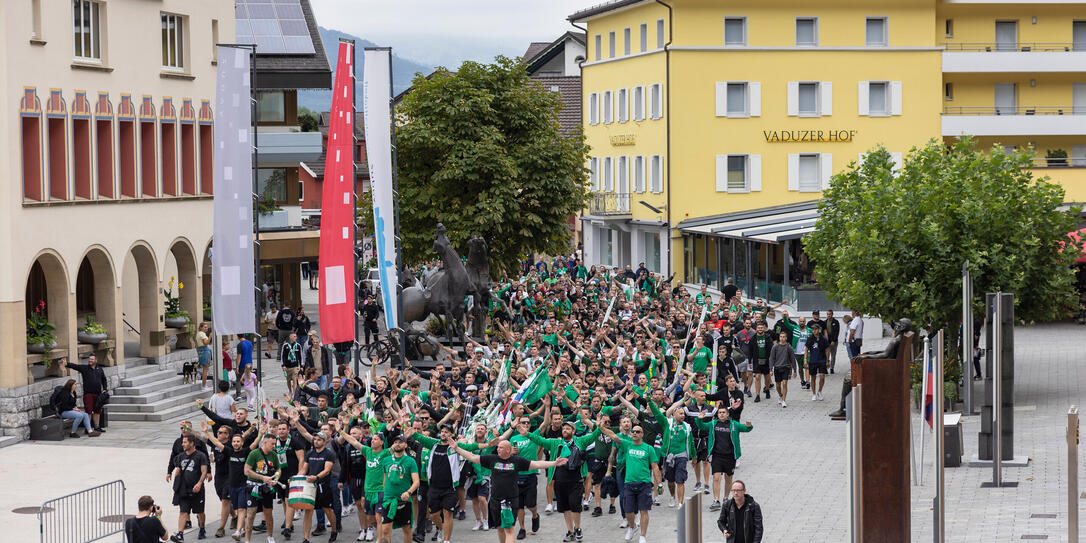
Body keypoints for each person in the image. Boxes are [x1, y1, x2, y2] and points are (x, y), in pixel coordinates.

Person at [451, 439, 568, 543]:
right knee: (500, 528)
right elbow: (472, 457)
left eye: (501, 447)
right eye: (498, 447)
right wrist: (457, 448)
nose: (497, 449)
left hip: (510, 501)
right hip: (495, 500)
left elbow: (536, 464)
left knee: (509, 529)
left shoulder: (517, 461)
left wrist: (554, 463)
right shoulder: (492, 459)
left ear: (508, 450)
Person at [598, 420, 660, 543]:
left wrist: (660, 484)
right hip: (629, 483)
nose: (635, 433)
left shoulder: (649, 449)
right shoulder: (627, 445)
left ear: (642, 434)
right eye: (633, 431)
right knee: (628, 511)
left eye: (638, 432)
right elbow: (613, 436)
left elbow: (655, 467)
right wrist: (600, 426)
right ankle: (632, 527)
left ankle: (643, 535)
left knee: (644, 510)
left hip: (644, 483)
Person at [699, 409, 753, 511]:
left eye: (724, 412)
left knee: (728, 479)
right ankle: (716, 500)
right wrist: (699, 420)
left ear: (728, 414)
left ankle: (725, 499)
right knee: (716, 477)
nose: (721, 414)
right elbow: (702, 427)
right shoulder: (713, 424)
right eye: (720, 412)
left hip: (730, 456)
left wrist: (749, 425)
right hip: (717, 456)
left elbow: (746, 429)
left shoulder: (734, 424)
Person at [377, 435, 420, 543]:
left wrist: (408, 492)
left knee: (406, 529)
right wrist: (384, 492)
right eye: (395, 442)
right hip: (388, 500)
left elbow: (416, 482)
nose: (397, 444)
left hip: (404, 500)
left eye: (400, 442)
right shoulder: (386, 460)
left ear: (405, 445)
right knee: (385, 530)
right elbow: (384, 479)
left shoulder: (410, 461)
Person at [299, 431, 339, 542]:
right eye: (315, 439)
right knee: (308, 511)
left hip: (323, 486)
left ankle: (334, 531)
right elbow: (304, 469)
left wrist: (316, 477)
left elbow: (327, 470)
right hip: (310, 487)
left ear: (325, 441)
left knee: (328, 510)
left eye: (319, 440)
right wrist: (295, 478)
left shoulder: (328, 454)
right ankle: (306, 538)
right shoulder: (310, 454)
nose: (316, 441)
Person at [168, 433, 209, 542]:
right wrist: (175, 486)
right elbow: (178, 470)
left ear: (192, 443)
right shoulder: (181, 456)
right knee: (183, 512)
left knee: (199, 512)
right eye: (183, 442)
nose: (183, 444)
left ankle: (202, 528)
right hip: (184, 489)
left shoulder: (200, 456)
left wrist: (199, 483)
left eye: (185, 442)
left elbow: (204, 471)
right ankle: (180, 534)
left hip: (197, 490)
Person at [243, 434, 282, 543]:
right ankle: (247, 540)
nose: (274, 446)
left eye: (275, 444)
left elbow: (278, 468)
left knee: (268, 513)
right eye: (272, 444)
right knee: (250, 514)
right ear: (264, 443)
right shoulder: (254, 454)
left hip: (267, 488)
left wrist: (276, 476)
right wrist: (262, 477)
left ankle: (270, 536)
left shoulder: (273, 455)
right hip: (254, 487)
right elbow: (246, 471)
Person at [59, 355, 108, 432]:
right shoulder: (84, 368)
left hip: (98, 394)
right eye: (89, 359)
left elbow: (104, 379)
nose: (90, 360)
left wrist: (105, 388)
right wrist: (66, 364)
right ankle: (87, 428)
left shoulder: (100, 369)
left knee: (97, 410)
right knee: (88, 411)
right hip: (88, 394)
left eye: (92, 359)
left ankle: (97, 427)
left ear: (96, 360)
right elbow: (75, 366)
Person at [768, 332, 794, 408]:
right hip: (777, 368)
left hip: (786, 367)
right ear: (779, 338)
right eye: (781, 337)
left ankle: (783, 400)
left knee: (785, 383)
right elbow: (772, 358)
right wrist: (770, 369)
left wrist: (795, 369)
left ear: (786, 338)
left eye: (784, 337)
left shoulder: (789, 347)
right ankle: (780, 395)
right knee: (778, 385)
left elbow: (792, 358)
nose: (782, 338)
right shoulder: (775, 347)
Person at [805, 323, 831, 401]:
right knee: (813, 377)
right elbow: (806, 349)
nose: (814, 331)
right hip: (813, 360)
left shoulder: (823, 339)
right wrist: (805, 360)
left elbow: (827, 350)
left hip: (822, 360)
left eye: (815, 329)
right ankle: (813, 393)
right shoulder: (810, 338)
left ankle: (820, 391)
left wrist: (827, 360)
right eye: (813, 329)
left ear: (819, 330)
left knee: (822, 376)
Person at [196, 322, 213, 391]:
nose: (206, 328)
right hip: (205, 351)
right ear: (201, 327)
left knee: (205, 369)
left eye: (207, 327)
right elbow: (206, 343)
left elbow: (196, 345)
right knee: (205, 370)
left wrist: (199, 353)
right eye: (205, 327)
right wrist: (210, 336)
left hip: (201, 351)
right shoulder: (202, 334)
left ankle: (204, 385)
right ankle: (203, 386)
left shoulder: (198, 334)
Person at [825, 309, 840, 374]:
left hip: (834, 340)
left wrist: (834, 340)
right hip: (827, 341)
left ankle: (831, 368)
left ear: (832, 314)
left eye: (830, 314)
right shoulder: (825, 322)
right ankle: (825, 368)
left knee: (833, 355)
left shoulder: (836, 322)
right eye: (827, 314)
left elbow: (837, 332)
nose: (828, 315)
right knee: (826, 355)